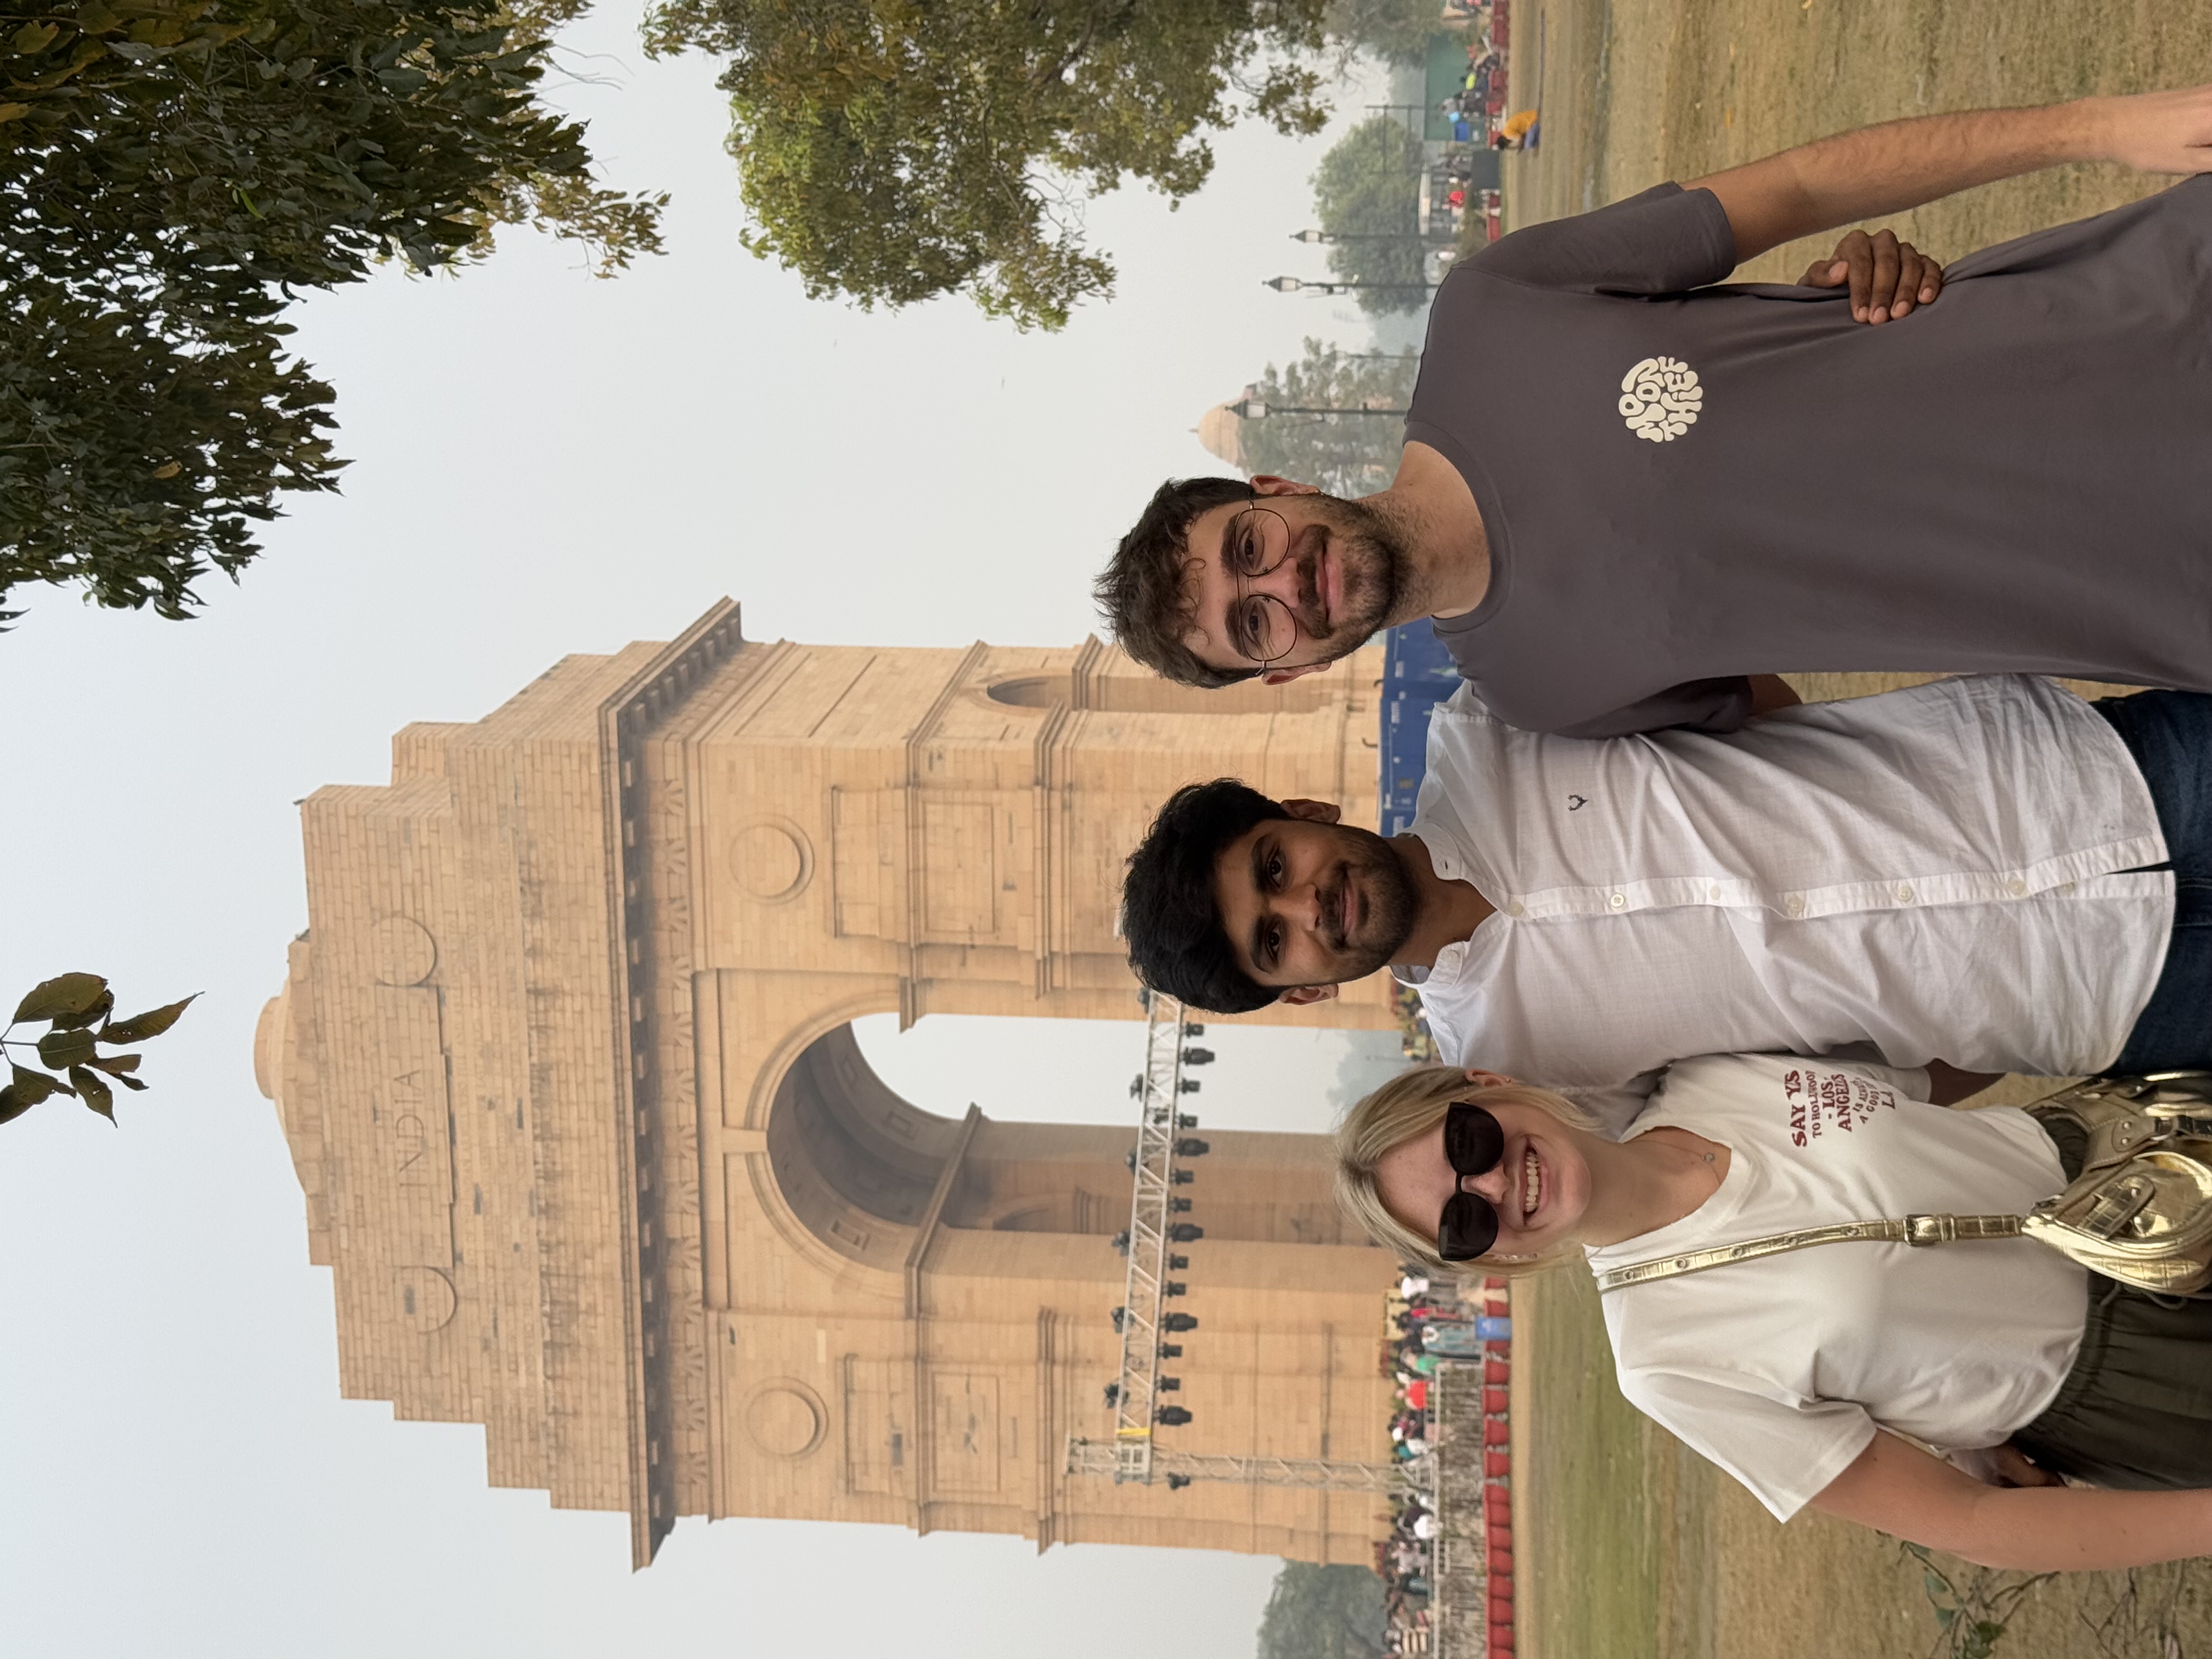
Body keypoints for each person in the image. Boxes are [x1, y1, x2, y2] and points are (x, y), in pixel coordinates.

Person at [1094, 83, 2212, 736]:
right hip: (2178, 596)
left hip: (2157, 313)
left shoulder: (1490, 313)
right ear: (1288, 671)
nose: (1284, 583)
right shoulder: (1546, 696)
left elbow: (1805, 189)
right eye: (1255, 624)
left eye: (1250, 546)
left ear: (1278, 490)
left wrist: (2107, 127)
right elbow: (1827, 761)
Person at [1119, 674, 2212, 1133]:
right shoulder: (1524, 1071)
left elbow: (1728, 676)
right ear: (1303, 992)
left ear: (1302, 808)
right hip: (2108, 998)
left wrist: (1814, 772)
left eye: (1274, 864)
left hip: (2083, 776)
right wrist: (1985, 1015)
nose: (1307, 904)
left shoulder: (1499, 717)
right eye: (1274, 942)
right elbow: (1813, 1112)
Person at [1333, 1054, 2212, 1570]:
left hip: (2143, 1156)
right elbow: (1970, 1522)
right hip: (2144, 1380)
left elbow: (1939, 1061)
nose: (1491, 1182)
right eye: (1462, 1219)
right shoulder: (1664, 1361)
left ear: (1489, 1084)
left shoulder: (1710, 1075)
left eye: (1466, 1140)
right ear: (1493, 1257)